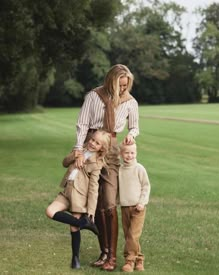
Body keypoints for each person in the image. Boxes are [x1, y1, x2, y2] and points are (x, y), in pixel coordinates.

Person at [73, 64, 139, 271]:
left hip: (110, 151)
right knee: (95, 203)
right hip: (91, 148)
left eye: (126, 85)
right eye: (119, 85)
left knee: (109, 203)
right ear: (111, 80)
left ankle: (111, 256)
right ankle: (104, 253)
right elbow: (83, 124)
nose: (122, 89)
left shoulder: (130, 102)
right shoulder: (93, 96)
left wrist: (131, 135)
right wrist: (78, 150)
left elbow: (135, 126)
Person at [45, 130, 111, 269]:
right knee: (50, 211)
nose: (92, 143)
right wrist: (75, 155)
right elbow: (64, 162)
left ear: (102, 148)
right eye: (92, 140)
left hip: (79, 197)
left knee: (74, 227)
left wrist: (91, 210)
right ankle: (85, 223)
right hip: (66, 192)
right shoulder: (79, 150)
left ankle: (75, 259)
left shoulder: (96, 164)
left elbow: (93, 189)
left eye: (97, 143)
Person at [118, 142, 150, 272]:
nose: (129, 155)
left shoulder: (139, 168)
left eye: (132, 153)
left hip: (138, 208)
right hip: (125, 207)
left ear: (136, 153)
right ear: (121, 154)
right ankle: (139, 259)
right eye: (126, 153)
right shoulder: (120, 170)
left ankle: (129, 261)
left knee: (133, 235)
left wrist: (142, 202)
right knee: (129, 236)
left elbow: (146, 186)